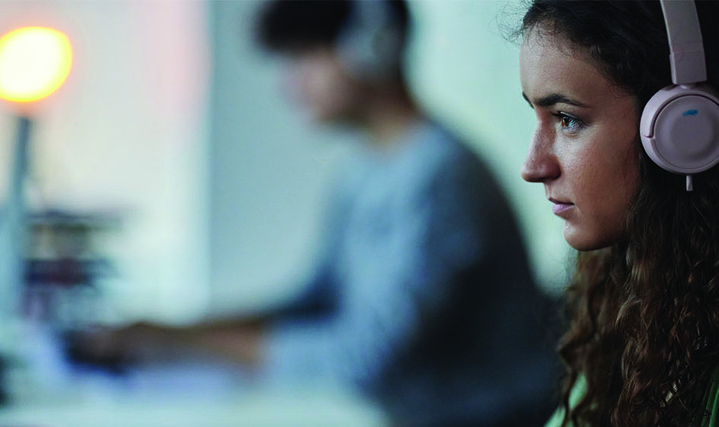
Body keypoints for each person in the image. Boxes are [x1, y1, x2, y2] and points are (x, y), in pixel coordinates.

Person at [75, 1, 557, 425]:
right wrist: (164, 331)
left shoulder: (443, 178)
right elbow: (315, 301)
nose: (290, 85)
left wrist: (176, 346)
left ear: (371, 47)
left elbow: (364, 357)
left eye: (303, 58)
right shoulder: (365, 169)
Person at [518, 0, 719, 426]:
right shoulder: (621, 283)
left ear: (682, 128)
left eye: (566, 119)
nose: (533, 167)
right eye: (535, 115)